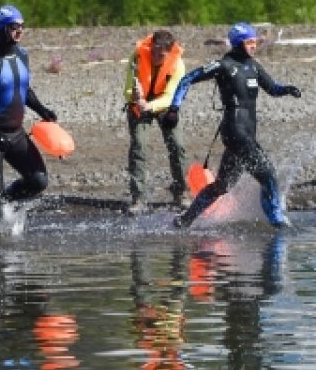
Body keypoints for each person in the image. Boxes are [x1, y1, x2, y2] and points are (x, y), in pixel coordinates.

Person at [165, 22, 302, 229]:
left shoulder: (253, 66)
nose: (254, 45)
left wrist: (287, 89)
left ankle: (185, 220)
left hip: (246, 133)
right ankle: (277, 221)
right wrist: (174, 108)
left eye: (255, 42)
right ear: (238, 44)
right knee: (268, 174)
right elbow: (187, 79)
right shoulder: (224, 65)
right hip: (235, 131)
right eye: (250, 42)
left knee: (223, 185)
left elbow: (272, 88)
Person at [0, 5, 59, 235]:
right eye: (14, 27)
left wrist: (42, 110)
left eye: (22, 27)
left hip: (15, 133)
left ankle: (3, 209)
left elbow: (23, 88)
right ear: (2, 28)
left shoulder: (22, 55)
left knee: (37, 181)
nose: (19, 32)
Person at [124, 29, 190, 214]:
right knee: (139, 146)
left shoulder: (178, 64)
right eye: (152, 51)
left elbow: (170, 96)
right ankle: (138, 199)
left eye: (160, 54)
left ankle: (182, 193)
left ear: (169, 53)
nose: (154, 57)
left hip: (163, 105)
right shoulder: (137, 57)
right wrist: (136, 98)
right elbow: (128, 89)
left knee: (177, 145)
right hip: (139, 103)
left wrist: (150, 106)